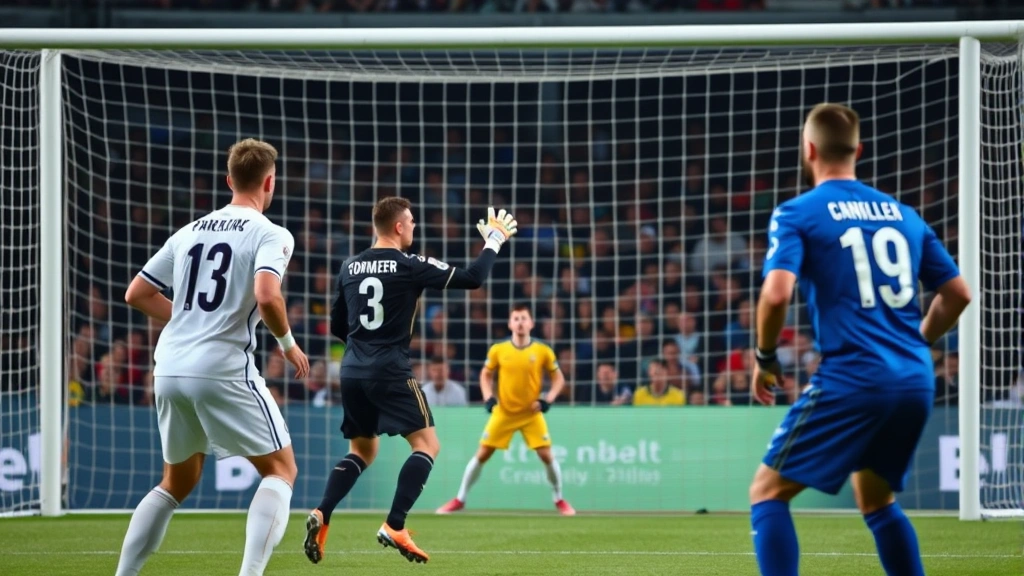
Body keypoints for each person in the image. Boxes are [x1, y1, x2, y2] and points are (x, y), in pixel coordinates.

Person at [748, 103, 971, 576]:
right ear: (859, 150)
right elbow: (958, 294)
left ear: (808, 150)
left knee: (767, 492)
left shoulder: (797, 213)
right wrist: (918, 341)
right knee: (876, 499)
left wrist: (765, 356)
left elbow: (776, 293)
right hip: (914, 379)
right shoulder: (904, 215)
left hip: (854, 375)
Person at [116, 138, 310, 576]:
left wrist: (187, 320)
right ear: (269, 181)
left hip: (168, 368)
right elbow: (267, 294)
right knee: (281, 469)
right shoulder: (271, 233)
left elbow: (137, 293)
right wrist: (288, 344)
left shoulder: (189, 231)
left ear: (228, 180)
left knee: (176, 481)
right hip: (221, 367)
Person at [303, 198, 517, 565]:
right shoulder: (409, 265)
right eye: (412, 222)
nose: (415, 228)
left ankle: (322, 513)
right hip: (389, 370)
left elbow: (340, 325)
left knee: (361, 452)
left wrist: (363, 349)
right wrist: (494, 240)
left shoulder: (349, 266)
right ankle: (394, 524)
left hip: (352, 371)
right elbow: (473, 278)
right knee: (427, 445)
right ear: (399, 226)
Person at [436, 304, 575, 516]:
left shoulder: (542, 351)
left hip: (531, 414)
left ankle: (559, 499)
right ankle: (460, 499)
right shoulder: (498, 350)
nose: (520, 322)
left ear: (531, 323)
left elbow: (558, 379)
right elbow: (485, 375)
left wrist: (548, 399)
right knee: (482, 454)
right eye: (516, 319)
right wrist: (488, 397)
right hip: (504, 412)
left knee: (547, 456)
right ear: (510, 324)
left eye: (523, 318)